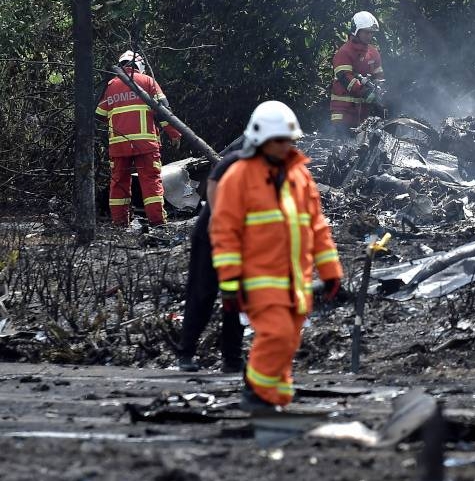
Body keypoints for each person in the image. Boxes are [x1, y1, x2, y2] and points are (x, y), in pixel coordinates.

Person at [211, 101, 343, 412]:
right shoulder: (239, 177)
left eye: (288, 140)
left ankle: (274, 396)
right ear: (259, 139)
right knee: (277, 334)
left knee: (288, 340)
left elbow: (317, 228)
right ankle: (255, 390)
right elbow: (225, 233)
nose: (285, 146)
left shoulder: (300, 177)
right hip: (258, 279)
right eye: (278, 140)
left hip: (295, 280)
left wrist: (331, 272)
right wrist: (229, 283)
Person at [176, 145, 244, 373]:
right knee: (202, 293)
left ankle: (232, 359)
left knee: (236, 298)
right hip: (210, 238)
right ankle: (186, 353)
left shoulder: (277, 170)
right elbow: (214, 194)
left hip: (240, 242)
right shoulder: (235, 161)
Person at [95, 50, 182, 227]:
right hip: (146, 144)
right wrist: (174, 133)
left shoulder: (111, 85)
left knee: (119, 182)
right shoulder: (148, 81)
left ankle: (119, 224)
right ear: (140, 66)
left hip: (118, 145)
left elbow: (99, 115)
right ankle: (157, 223)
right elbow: (164, 112)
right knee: (150, 182)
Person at [330, 11, 386, 136]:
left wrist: (380, 90)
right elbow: (345, 78)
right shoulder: (344, 52)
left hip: (362, 113)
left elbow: (379, 76)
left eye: (371, 32)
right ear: (356, 30)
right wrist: (365, 92)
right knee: (341, 148)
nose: (369, 35)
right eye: (366, 32)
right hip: (343, 112)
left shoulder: (373, 52)